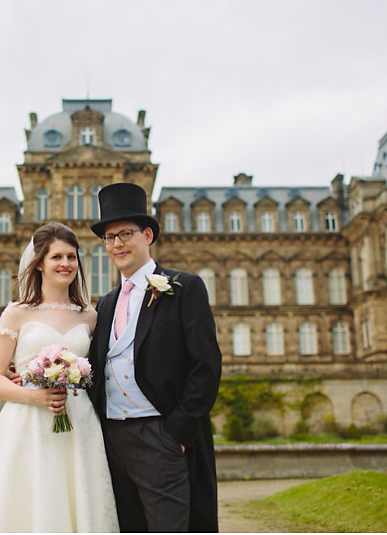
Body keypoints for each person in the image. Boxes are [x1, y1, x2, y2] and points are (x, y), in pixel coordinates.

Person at [0, 222, 118, 533]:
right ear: (39, 264)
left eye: (72, 257)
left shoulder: (89, 315)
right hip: (28, 421)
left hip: (79, 421)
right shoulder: (16, 313)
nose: (66, 264)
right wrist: (34, 395)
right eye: (57, 257)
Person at [88, 182, 222, 532]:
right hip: (112, 437)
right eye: (109, 237)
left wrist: (176, 431)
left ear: (147, 234)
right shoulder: (105, 304)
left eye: (126, 234)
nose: (117, 244)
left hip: (159, 433)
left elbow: (205, 366)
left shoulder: (183, 287)